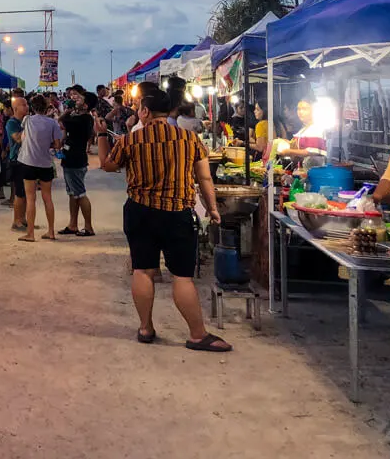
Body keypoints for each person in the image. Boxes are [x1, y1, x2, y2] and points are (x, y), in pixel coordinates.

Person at [95, 90, 231, 352]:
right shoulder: (189, 139)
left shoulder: (131, 140)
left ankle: (145, 328)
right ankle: (197, 334)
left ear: (145, 111)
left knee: (143, 269)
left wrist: (101, 134)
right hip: (177, 213)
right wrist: (212, 208)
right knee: (182, 276)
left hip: (140, 212)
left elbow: (106, 165)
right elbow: (204, 178)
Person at [17, 94, 63, 242]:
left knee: (31, 199)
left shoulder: (27, 120)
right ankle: (51, 231)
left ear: (32, 107)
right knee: (47, 198)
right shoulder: (53, 123)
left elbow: (24, 136)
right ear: (46, 107)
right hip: (45, 163)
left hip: (28, 162)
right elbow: (57, 145)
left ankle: (30, 233)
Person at [58, 92, 96, 236]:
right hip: (71, 158)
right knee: (72, 194)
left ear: (85, 105)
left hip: (75, 159)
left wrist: (67, 111)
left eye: (79, 99)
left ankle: (88, 227)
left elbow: (60, 121)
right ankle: (72, 224)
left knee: (80, 194)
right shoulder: (81, 118)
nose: (75, 100)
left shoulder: (83, 119)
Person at [279, 98, 327, 163]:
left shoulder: (316, 128)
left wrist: (289, 151)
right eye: (298, 109)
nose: (300, 112)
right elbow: (301, 147)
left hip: (312, 170)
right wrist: (289, 143)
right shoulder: (304, 129)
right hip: (302, 169)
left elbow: (310, 152)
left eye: (304, 109)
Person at [5, 97, 28, 230]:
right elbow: (18, 139)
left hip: (27, 159)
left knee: (26, 193)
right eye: (23, 105)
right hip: (17, 160)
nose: (27, 107)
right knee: (19, 193)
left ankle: (23, 218)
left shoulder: (26, 121)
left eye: (26, 104)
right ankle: (16, 220)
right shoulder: (12, 123)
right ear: (15, 109)